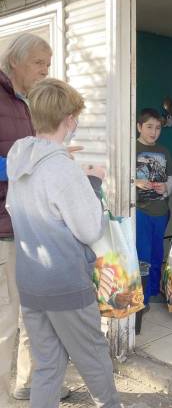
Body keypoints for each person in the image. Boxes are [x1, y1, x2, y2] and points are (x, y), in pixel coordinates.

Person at [6, 78, 121, 408]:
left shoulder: (19, 162)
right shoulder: (63, 168)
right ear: (69, 119)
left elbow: (19, 208)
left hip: (31, 283)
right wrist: (94, 182)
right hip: (66, 284)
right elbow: (89, 230)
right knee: (93, 358)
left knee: (47, 365)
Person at [0, 33, 72, 405]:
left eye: (49, 63)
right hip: (4, 230)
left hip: (32, 226)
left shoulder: (28, 103)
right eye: (39, 63)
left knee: (36, 313)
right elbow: (17, 162)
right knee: (4, 323)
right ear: (15, 61)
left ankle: (31, 384)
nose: (46, 70)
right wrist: (29, 162)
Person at [136, 108, 172, 306]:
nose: (154, 132)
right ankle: (141, 295)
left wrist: (166, 188)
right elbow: (117, 176)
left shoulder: (164, 151)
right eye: (149, 127)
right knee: (142, 252)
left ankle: (153, 291)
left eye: (158, 128)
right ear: (139, 127)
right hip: (139, 211)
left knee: (157, 252)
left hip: (160, 211)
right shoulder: (131, 149)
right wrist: (135, 181)